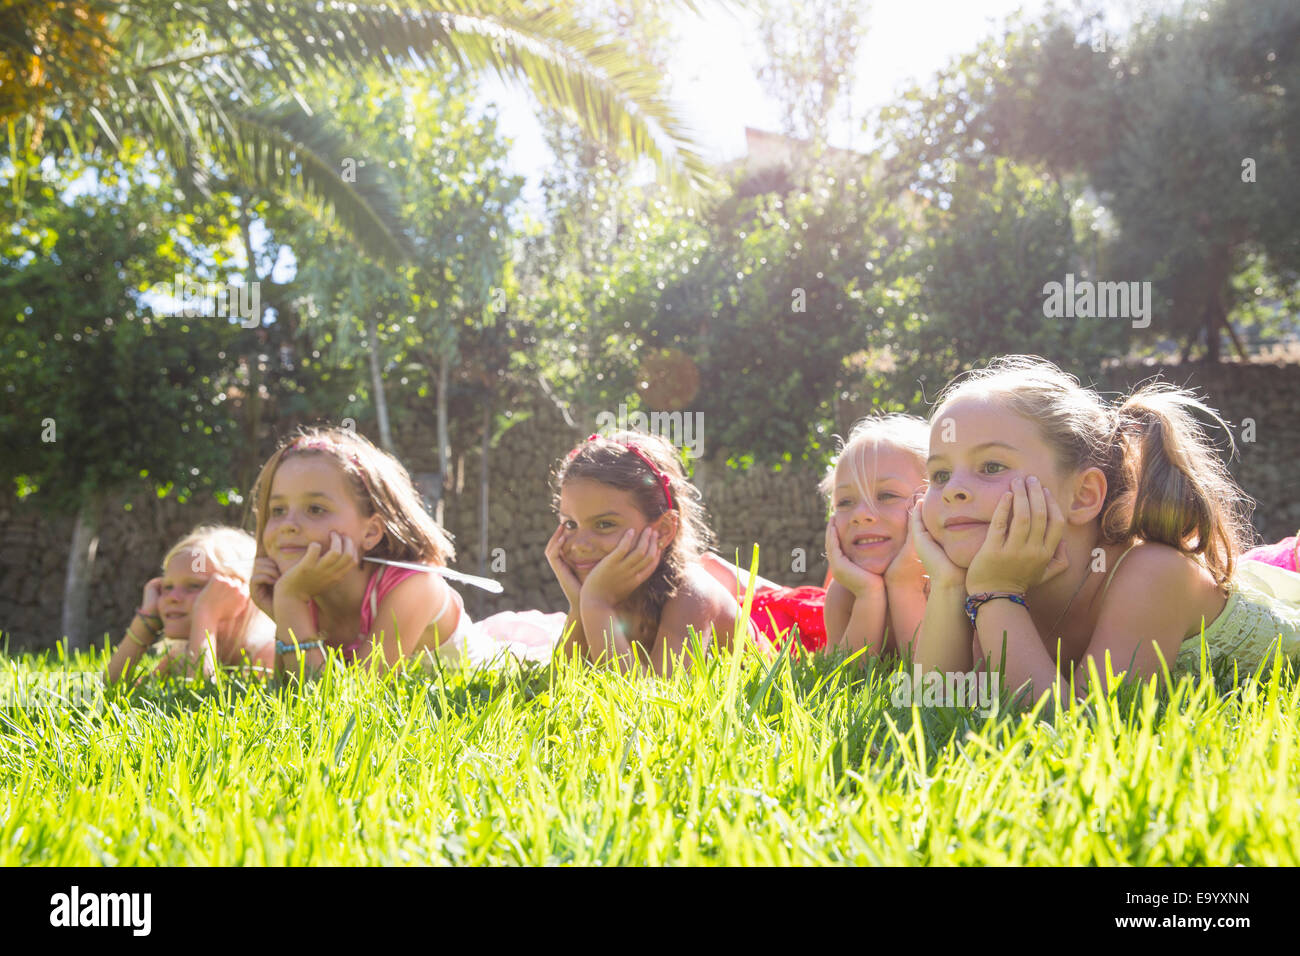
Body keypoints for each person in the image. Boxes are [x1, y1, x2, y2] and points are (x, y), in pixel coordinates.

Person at [909, 354, 1300, 702]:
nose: (953, 490)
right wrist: (947, 584)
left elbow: (1076, 729)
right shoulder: (986, 576)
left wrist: (996, 594)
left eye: (991, 467)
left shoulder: (1153, 573)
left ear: (1082, 496)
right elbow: (936, 702)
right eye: (940, 474)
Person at [249, 427, 563, 677]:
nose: (288, 525)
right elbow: (290, 692)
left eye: (315, 509)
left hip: (504, 675)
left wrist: (289, 604)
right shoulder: (304, 588)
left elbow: (345, 704)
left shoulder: (413, 586)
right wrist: (283, 611)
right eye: (277, 510)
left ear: (371, 531)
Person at [701, 414, 930, 659]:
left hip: (808, 617)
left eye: (886, 496)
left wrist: (904, 583)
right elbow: (847, 680)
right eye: (845, 501)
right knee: (708, 568)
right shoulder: (844, 590)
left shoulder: (947, 585)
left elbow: (928, 677)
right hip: (805, 612)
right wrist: (868, 594)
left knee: (726, 581)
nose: (860, 515)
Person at [546, 431, 773, 676]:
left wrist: (596, 605)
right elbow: (563, 683)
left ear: (664, 530)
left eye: (604, 524)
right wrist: (579, 606)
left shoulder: (691, 593)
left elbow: (653, 701)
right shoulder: (608, 587)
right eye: (570, 524)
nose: (580, 544)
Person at [107, 526, 274, 684]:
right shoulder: (183, 654)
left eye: (194, 585)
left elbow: (201, 701)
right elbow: (111, 686)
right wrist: (146, 622)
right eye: (167, 587)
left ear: (239, 592)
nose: (172, 597)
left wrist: (206, 614)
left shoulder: (267, 654)